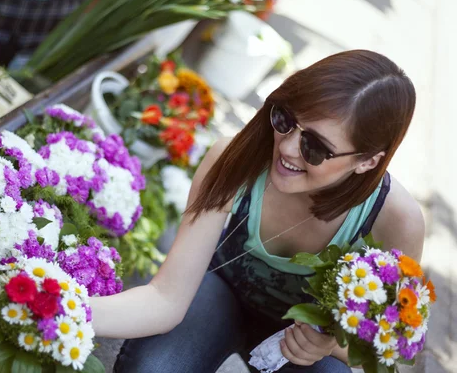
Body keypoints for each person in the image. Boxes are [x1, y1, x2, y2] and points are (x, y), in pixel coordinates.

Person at [89, 50, 424, 372]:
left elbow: (388, 343)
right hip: (215, 295)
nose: (289, 148)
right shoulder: (236, 157)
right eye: (286, 119)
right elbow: (165, 298)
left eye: (316, 147)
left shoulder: (395, 220)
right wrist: (68, 311)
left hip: (301, 344)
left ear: (368, 161)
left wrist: (331, 346)